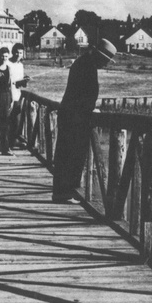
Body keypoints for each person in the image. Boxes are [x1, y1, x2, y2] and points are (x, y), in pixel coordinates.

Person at [52, 38, 115, 202]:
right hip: (75, 117)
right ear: (100, 56)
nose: (106, 64)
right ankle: (65, 193)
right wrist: (90, 108)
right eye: (106, 61)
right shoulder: (87, 66)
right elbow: (83, 94)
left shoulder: (85, 62)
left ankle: (64, 192)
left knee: (69, 155)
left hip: (73, 115)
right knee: (71, 155)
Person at [7, 43, 29, 149]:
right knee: (6, 120)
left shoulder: (21, 65)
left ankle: (13, 141)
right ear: (12, 52)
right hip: (7, 96)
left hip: (17, 96)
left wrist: (24, 81)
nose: (18, 54)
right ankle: (6, 143)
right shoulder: (7, 63)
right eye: (16, 52)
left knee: (16, 120)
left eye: (20, 53)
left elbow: (20, 84)